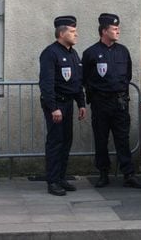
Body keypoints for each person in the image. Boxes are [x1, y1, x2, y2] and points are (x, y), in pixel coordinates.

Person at [82, 13, 141, 189]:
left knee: (122, 139)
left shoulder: (123, 51)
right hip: (100, 103)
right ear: (104, 31)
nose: (118, 31)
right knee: (101, 139)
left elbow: (128, 74)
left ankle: (128, 174)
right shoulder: (90, 53)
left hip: (119, 103)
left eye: (118, 28)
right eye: (114, 29)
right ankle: (103, 173)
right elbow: (85, 78)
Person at [39, 15, 87, 196]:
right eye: (72, 31)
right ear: (61, 33)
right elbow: (46, 84)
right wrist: (53, 107)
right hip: (56, 104)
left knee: (66, 142)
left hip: (68, 104)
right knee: (55, 142)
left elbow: (76, 81)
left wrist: (81, 103)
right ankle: (52, 181)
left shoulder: (73, 53)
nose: (76, 35)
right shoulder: (50, 53)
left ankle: (60, 177)